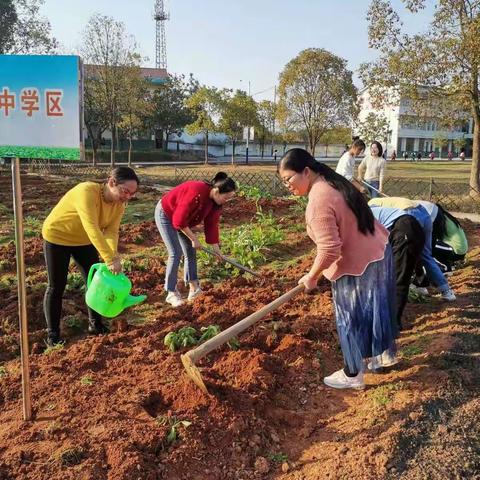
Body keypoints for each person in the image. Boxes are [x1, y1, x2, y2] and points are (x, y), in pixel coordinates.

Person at [279, 148, 397, 389]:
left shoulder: (318, 199)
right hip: (378, 252)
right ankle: (380, 357)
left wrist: (312, 277)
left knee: (350, 317)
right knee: (373, 309)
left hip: (357, 264)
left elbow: (330, 249)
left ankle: (353, 374)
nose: (287, 186)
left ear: (306, 171)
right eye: (283, 181)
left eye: (289, 178)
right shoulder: (334, 182)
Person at [42, 167, 139, 346]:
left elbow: (111, 231)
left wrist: (113, 256)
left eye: (132, 194)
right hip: (57, 237)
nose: (128, 197)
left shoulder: (119, 205)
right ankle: (53, 336)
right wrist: (109, 260)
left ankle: (95, 325)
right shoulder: (86, 191)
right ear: (111, 183)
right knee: (56, 286)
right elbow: (92, 227)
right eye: (125, 191)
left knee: (94, 281)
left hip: (83, 241)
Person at [155, 172, 236, 307]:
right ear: (216, 191)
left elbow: (211, 226)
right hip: (167, 214)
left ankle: (194, 289)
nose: (226, 201)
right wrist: (194, 239)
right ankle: (171, 292)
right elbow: (178, 221)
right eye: (226, 197)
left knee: (191, 252)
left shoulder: (215, 204)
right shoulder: (196, 192)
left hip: (183, 221)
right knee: (176, 252)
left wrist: (216, 250)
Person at [369, 197, 456, 301]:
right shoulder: (376, 202)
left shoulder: (370, 208)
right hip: (423, 213)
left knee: (403, 254)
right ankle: (446, 292)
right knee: (425, 255)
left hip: (408, 215)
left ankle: (397, 291)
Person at [369, 205, 425, 330]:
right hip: (406, 227)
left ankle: (392, 324)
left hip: (404, 230)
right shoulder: (360, 212)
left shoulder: (358, 217)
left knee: (398, 279)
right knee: (397, 274)